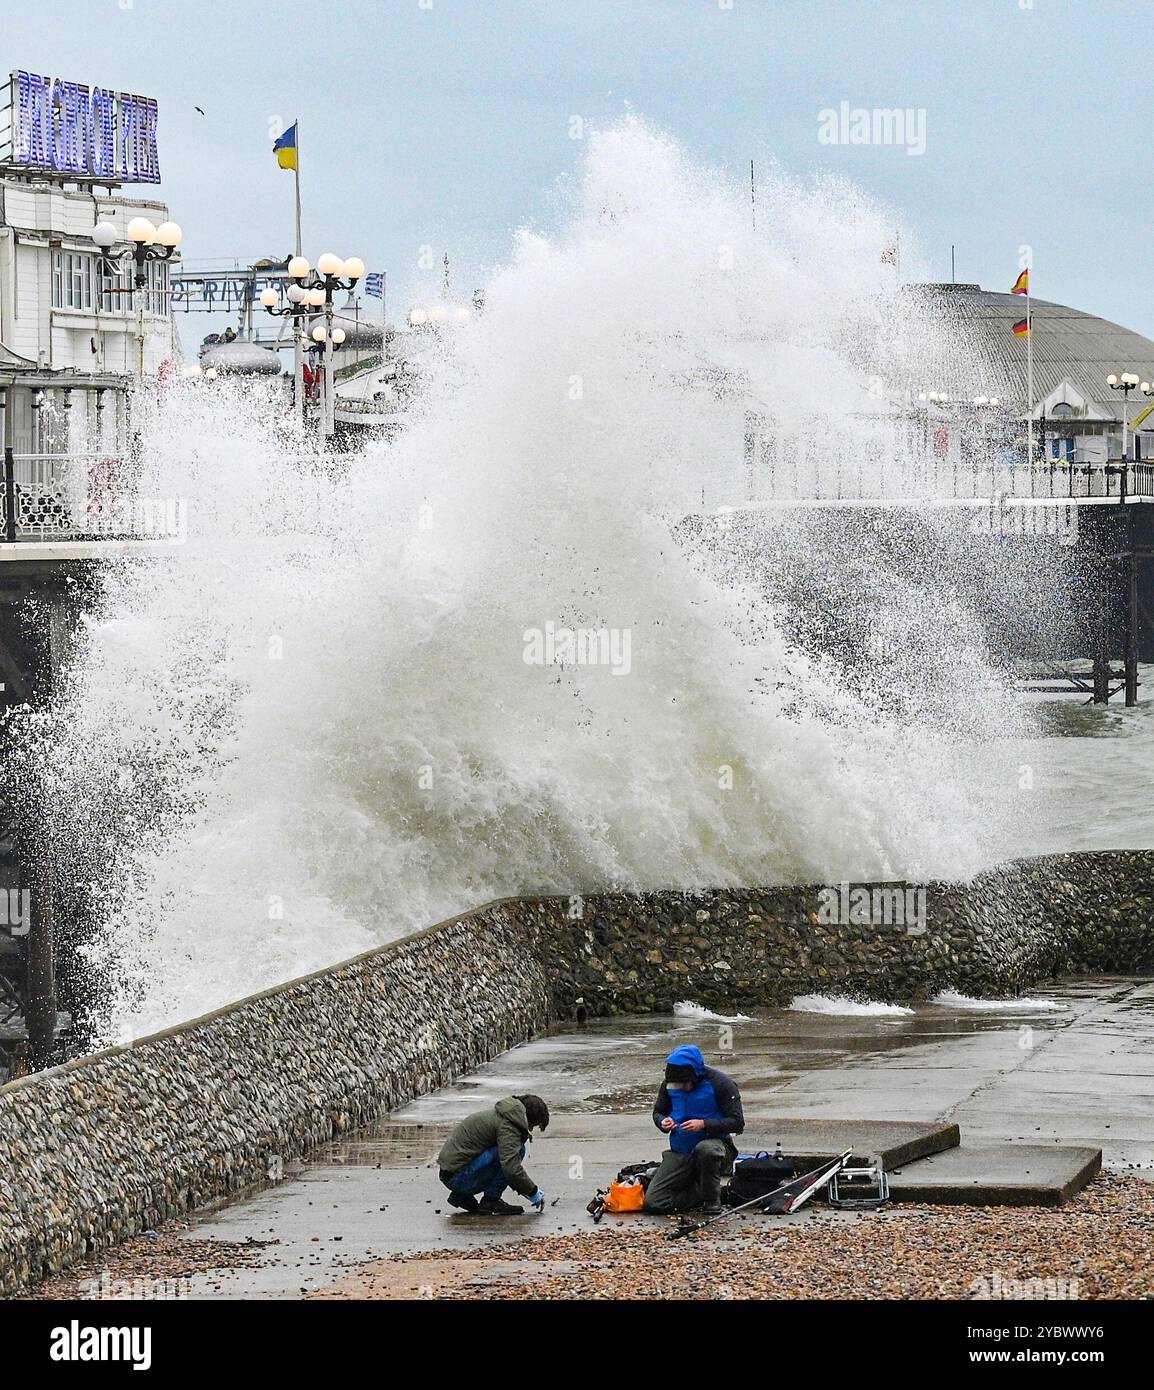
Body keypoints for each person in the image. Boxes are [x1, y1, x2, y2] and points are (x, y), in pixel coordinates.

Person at [644, 1044, 744, 1215]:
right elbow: (658, 1112)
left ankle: (712, 1200)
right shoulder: (669, 1084)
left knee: (705, 1149)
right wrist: (662, 1122)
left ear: (695, 1074)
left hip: (716, 1147)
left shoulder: (722, 1084)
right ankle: (700, 1191)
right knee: (653, 1202)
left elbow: (737, 1123)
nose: (681, 1087)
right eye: (678, 1083)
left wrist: (704, 1124)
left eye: (685, 1083)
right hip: (681, 1151)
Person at [437, 1094, 549, 1215]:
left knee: (507, 1152)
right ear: (529, 1117)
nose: (531, 1129)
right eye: (533, 1124)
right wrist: (533, 1192)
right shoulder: (508, 1126)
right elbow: (511, 1168)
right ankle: (491, 1200)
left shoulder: (502, 1115)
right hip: (458, 1178)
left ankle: (461, 1196)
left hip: (450, 1174)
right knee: (517, 1151)